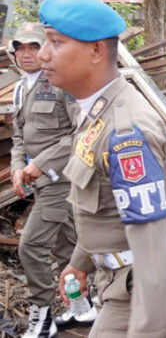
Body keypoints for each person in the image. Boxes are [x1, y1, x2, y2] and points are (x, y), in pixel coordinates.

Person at [37, 0, 166, 335]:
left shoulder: (126, 132)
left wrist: (146, 327)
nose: (42, 54)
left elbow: (150, 244)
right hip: (120, 276)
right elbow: (103, 205)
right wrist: (80, 263)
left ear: (96, 51)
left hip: (146, 282)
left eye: (55, 42)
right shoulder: (96, 112)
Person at [8, 23, 91, 338]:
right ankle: (82, 309)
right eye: (20, 48)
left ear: (45, 49)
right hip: (39, 182)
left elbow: (81, 132)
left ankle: (41, 317)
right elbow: (19, 136)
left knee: (30, 246)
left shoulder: (62, 82)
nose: (26, 54)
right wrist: (18, 167)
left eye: (32, 46)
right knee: (68, 247)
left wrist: (40, 164)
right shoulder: (21, 87)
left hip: (62, 180)